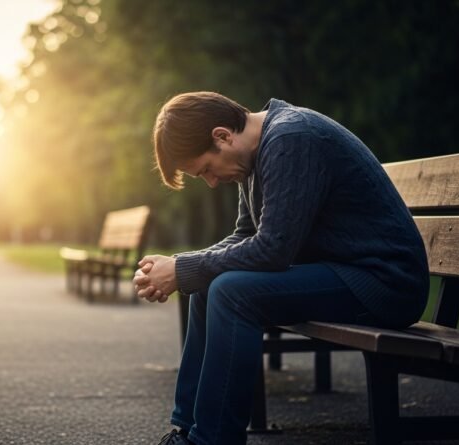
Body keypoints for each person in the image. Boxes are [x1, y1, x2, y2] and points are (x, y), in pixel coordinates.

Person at [133, 92, 429, 445]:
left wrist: (182, 269)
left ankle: (210, 441)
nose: (212, 182)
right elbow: (244, 237)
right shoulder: (254, 157)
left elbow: (273, 249)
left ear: (222, 136)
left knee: (230, 292)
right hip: (345, 272)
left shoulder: (292, 138)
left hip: (385, 283)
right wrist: (181, 266)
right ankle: (186, 430)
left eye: (207, 170)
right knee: (207, 285)